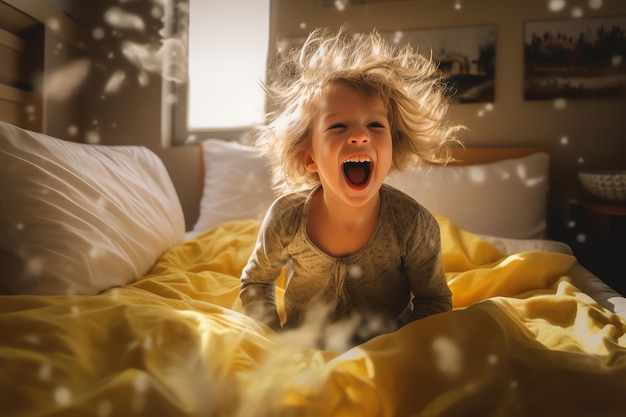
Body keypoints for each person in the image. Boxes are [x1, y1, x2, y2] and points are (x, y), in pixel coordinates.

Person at [239, 27, 462, 345]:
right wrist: (272, 341)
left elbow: (435, 301)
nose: (360, 136)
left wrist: (397, 351)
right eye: (338, 126)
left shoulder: (413, 224)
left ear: (391, 152)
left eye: (375, 125)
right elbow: (256, 282)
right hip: (303, 350)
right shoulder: (286, 218)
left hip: (383, 356)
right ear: (310, 158)